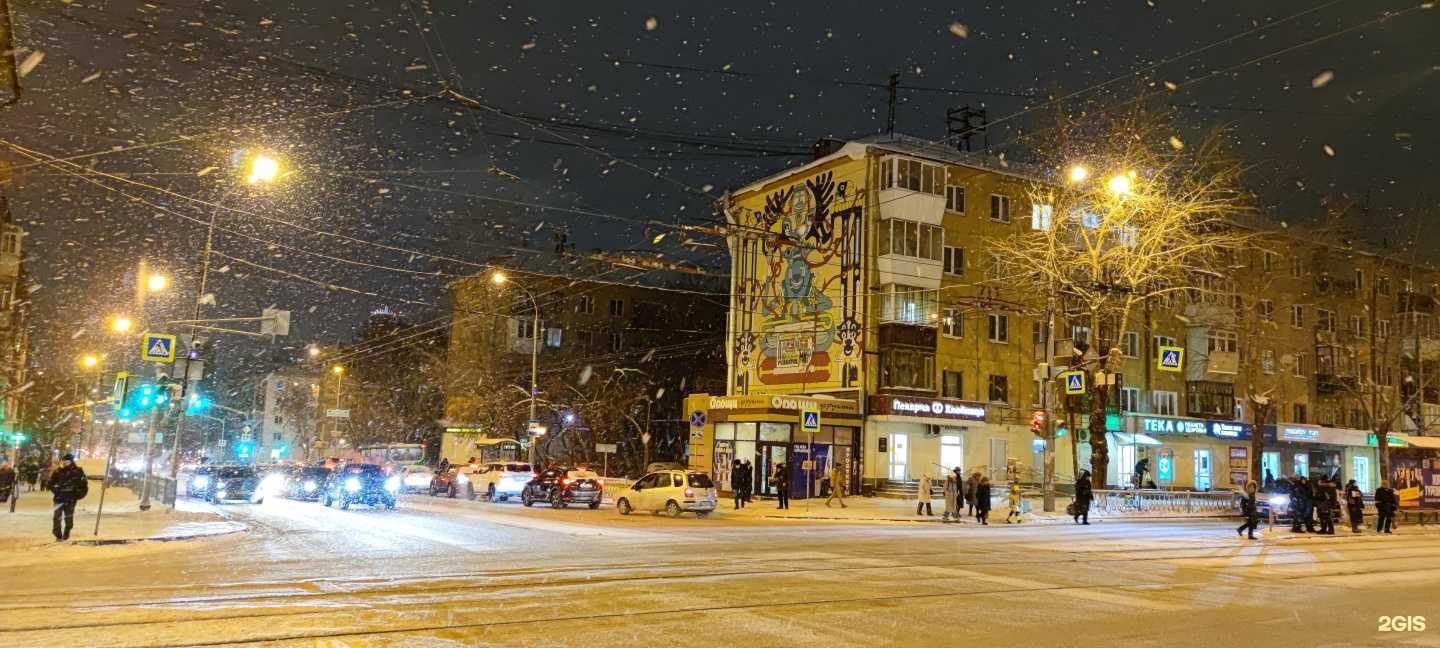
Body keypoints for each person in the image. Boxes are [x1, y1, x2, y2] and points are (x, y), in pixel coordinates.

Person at [48, 453, 89, 542]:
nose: (64, 463)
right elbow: (50, 483)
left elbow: (84, 486)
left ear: (71, 462)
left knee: (68, 518)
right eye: (63, 461)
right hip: (59, 498)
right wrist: (56, 490)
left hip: (71, 499)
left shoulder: (78, 471)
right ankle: (58, 536)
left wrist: (78, 495)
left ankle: (66, 533)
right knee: (57, 517)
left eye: (66, 462)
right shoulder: (58, 471)